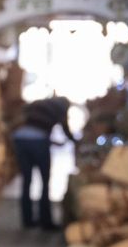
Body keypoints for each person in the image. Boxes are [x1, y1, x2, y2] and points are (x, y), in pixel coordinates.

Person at [12, 96, 78, 231]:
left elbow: (29, 124)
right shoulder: (61, 107)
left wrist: (50, 141)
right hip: (38, 141)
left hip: (20, 138)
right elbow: (64, 128)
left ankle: (28, 220)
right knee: (45, 181)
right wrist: (74, 141)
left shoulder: (37, 103)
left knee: (26, 181)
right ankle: (46, 221)